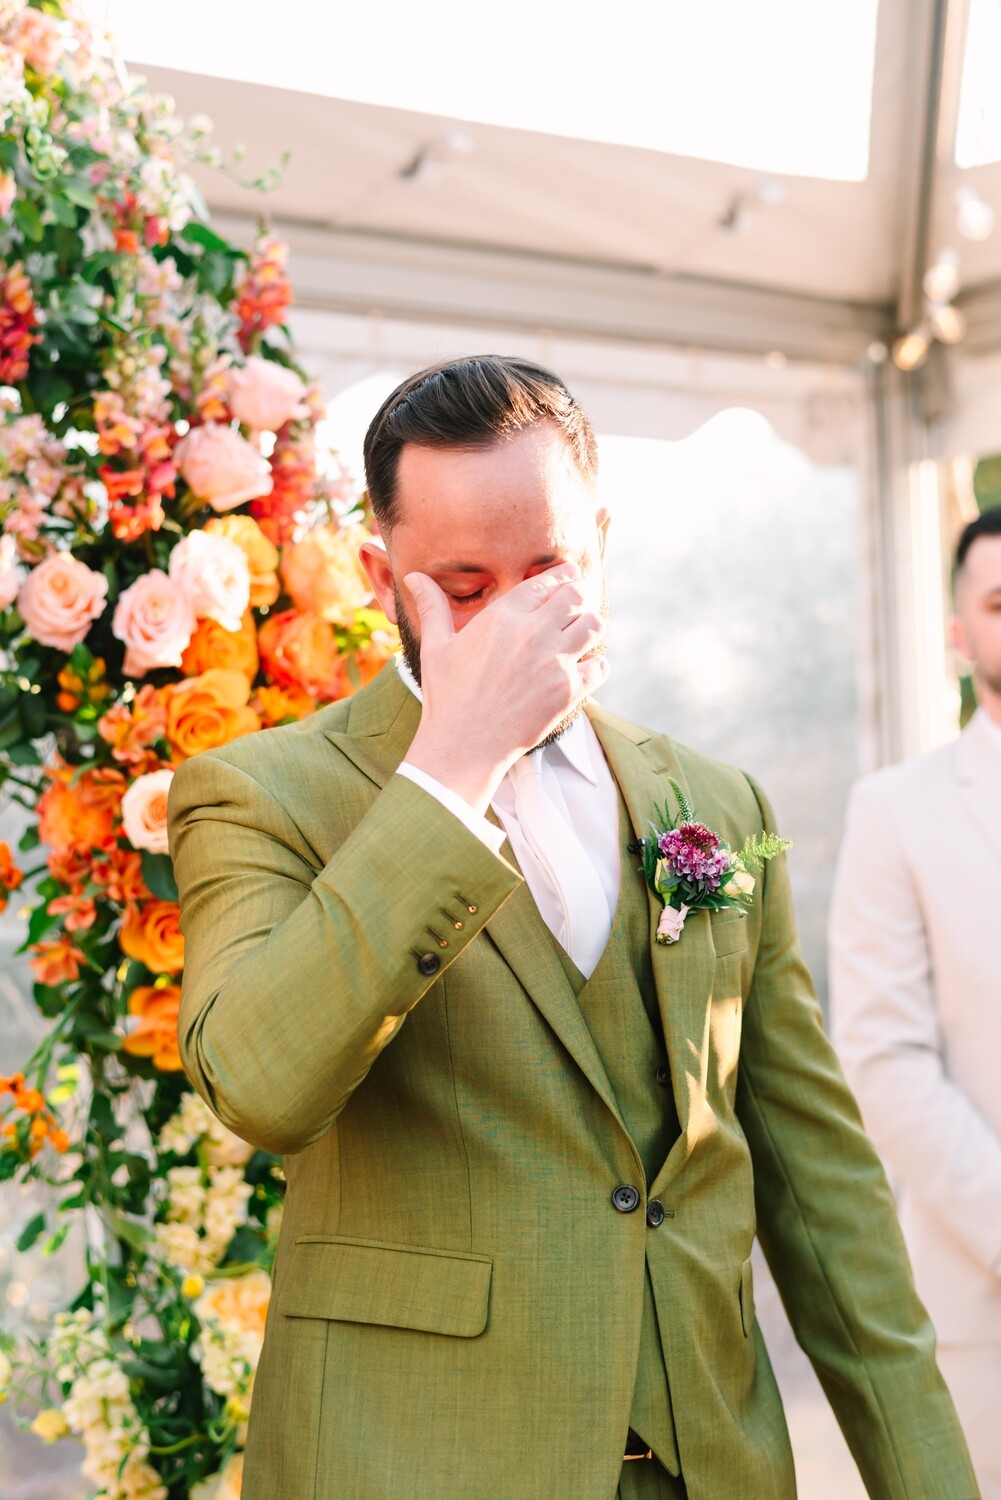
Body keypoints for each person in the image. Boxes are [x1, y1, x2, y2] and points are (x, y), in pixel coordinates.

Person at [168, 356, 976, 1500]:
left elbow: (819, 1192)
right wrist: (452, 769)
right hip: (416, 1465)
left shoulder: (715, 803)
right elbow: (258, 1083)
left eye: (547, 567)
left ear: (600, 541)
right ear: (377, 576)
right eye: (462, 585)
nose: (515, 617)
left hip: (707, 1463)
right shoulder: (259, 796)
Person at [829, 503, 1001, 1500]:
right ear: (956, 631)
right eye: (998, 599)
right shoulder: (895, 811)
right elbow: (883, 1061)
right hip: (982, 1306)